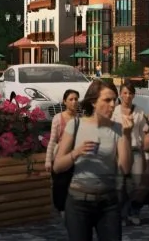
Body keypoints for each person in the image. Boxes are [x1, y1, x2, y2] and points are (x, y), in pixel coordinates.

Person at [53, 80, 133, 241]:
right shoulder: (75, 125)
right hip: (78, 202)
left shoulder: (117, 128)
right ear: (93, 102)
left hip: (108, 203)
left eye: (114, 100)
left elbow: (125, 168)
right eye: (107, 100)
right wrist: (76, 153)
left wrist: (127, 135)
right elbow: (58, 166)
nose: (112, 105)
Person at [117, 82, 149, 226]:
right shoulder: (114, 111)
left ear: (134, 95)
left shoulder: (139, 112)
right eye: (125, 93)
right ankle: (122, 214)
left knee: (137, 184)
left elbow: (145, 133)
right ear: (120, 94)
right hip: (119, 151)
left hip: (136, 151)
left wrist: (147, 154)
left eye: (130, 93)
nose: (127, 96)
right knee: (120, 184)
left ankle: (134, 211)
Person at [46, 89, 81, 176]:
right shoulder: (57, 118)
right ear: (64, 102)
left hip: (77, 160)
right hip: (60, 158)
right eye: (71, 99)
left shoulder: (81, 119)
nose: (74, 102)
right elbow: (52, 140)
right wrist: (48, 161)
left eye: (76, 99)